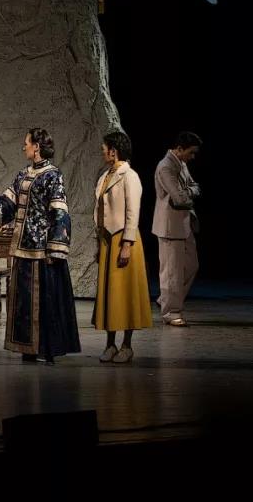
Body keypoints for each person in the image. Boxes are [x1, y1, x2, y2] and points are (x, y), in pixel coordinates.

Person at [0, 128, 80, 365]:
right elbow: (8, 202)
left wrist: (55, 247)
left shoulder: (52, 175)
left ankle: (47, 348)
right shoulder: (23, 174)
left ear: (36, 146)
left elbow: (59, 212)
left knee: (45, 299)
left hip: (42, 249)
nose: (23, 146)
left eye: (26, 143)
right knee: (24, 300)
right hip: (22, 247)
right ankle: (27, 347)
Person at [93, 131, 152, 363]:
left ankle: (127, 345)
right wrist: (99, 242)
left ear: (113, 150)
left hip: (123, 239)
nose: (102, 151)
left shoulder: (130, 176)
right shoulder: (105, 175)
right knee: (109, 294)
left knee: (125, 293)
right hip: (107, 240)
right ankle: (110, 344)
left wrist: (127, 244)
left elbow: (132, 212)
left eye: (104, 147)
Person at [152, 131, 203, 327]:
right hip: (170, 226)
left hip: (184, 224)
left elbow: (194, 187)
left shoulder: (181, 163)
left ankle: (166, 299)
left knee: (191, 265)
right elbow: (179, 198)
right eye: (191, 152)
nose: (193, 157)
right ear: (179, 149)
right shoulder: (165, 166)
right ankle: (171, 312)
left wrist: (188, 190)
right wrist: (189, 191)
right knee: (171, 272)